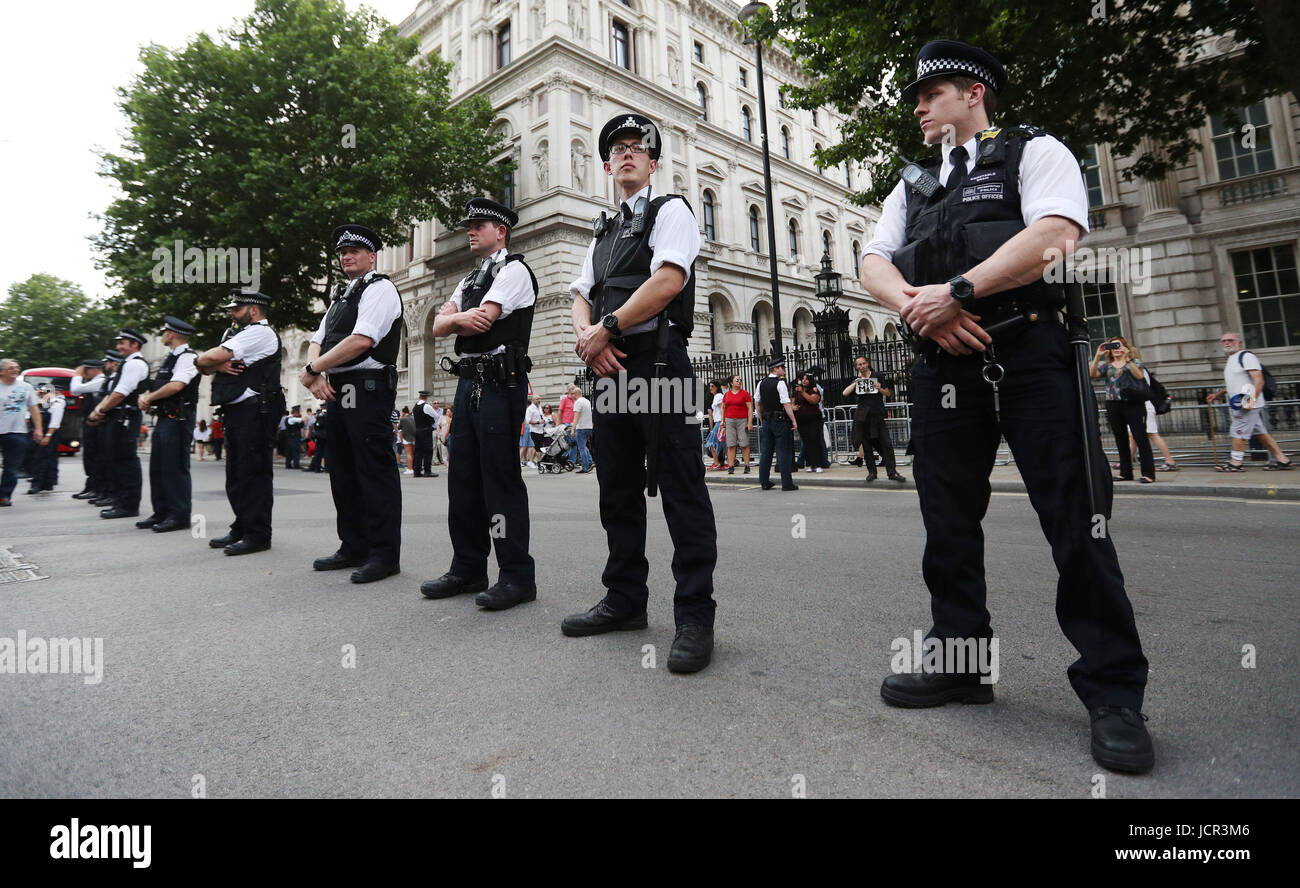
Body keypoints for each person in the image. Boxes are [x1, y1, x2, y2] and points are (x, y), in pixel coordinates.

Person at [859, 40, 1152, 772]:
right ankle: (961, 664)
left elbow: (1054, 237)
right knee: (947, 524)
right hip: (941, 364)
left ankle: (1113, 693)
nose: (919, 109)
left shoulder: (1035, 151)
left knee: (1076, 518)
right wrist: (920, 307)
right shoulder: (912, 183)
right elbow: (872, 259)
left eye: (930, 95)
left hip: (1029, 355)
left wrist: (958, 290)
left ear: (973, 94)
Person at [563, 112, 717, 673]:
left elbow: (668, 280)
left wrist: (609, 328)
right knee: (617, 490)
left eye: (638, 147)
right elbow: (581, 293)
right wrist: (588, 336)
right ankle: (625, 600)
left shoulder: (669, 209)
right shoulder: (601, 232)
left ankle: (695, 616)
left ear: (653, 162)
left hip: (658, 365)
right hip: (610, 370)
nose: (628, 154)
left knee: (681, 489)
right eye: (618, 149)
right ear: (606, 166)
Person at [420, 197, 537, 610]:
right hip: (468, 381)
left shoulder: (514, 270)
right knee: (463, 479)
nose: (470, 230)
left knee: (499, 480)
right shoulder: (470, 279)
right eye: (469, 224)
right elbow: (437, 326)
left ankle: (516, 575)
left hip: (500, 382)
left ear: (501, 230)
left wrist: (456, 318)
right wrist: (455, 318)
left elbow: (483, 320)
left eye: (479, 224)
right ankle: (468, 567)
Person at [301, 224, 404, 583]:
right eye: (343, 252)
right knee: (343, 471)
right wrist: (314, 371)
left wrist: (314, 368)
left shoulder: (380, 289)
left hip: (368, 388)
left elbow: (361, 341)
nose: (346, 256)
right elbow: (318, 339)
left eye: (355, 251)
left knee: (374, 472)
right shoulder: (341, 298)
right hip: (339, 388)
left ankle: (384, 554)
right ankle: (353, 545)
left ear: (371, 256)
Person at [197, 290, 283, 556]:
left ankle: (257, 534)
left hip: (256, 411)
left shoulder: (259, 333)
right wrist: (213, 365)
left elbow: (208, 359)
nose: (231, 314)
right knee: (236, 474)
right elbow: (210, 363)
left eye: (236, 309)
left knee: (253, 474)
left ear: (253, 310)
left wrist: (208, 363)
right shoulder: (237, 335)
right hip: (238, 410)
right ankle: (242, 526)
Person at [137, 315, 201, 532]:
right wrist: (147, 396)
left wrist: (149, 397)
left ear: (171, 334)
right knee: (159, 468)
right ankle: (162, 511)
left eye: (165, 332)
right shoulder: (170, 358)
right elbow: (158, 385)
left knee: (174, 467)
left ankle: (179, 514)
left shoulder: (187, 357)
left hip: (178, 419)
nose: (163, 335)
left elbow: (176, 386)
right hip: (165, 417)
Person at [87, 328, 152, 519]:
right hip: (119, 417)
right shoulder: (127, 364)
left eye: (122, 343)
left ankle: (128, 505)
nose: (118, 347)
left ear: (135, 345)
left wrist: (100, 411)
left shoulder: (134, 365)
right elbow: (113, 393)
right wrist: (100, 411)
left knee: (125, 460)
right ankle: (121, 501)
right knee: (115, 459)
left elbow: (120, 393)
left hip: (126, 418)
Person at [1206, 331, 1294, 471]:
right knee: (1260, 433)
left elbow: (1258, 381)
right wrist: (1219, 393)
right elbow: (1238, 383)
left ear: (1239, 343)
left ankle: (1236, 463)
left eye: (1230, 340)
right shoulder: (1232, 359)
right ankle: (1283, 460)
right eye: (1223, 341)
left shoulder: (1246, 356)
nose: (1227, 343)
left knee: (1237, 431)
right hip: (1242, 402)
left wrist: (1249, 401)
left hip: (1248, 404)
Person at [1090, 335, 1155, 483]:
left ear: (1125, 347)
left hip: (1133, 404)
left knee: (1140, 438)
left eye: (1118, 346)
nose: (1116, 349)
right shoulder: (1107, 365)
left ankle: (1148, 473)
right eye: (1113, 347)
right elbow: (1092, 374)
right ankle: (1125, 473)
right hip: (1113, 404)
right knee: (1120, 439)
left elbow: (1140, 376)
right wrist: (1097, 355)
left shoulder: (1134, 362)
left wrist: (1127, 359)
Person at [844, 355, 905, 482]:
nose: (862, 366)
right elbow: (845, 393)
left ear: (868, 363)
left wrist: (879, 388)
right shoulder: (857, 380)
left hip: (877, 414)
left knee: (887, 444)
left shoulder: (878, 375)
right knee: (867, 446)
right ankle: (872, 472)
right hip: (863, 416)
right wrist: (855, 383)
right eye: (859, 365)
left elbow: (888, 393)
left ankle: (892, 472)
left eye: (863, 363)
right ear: (856, 367)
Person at [0, 360, 44, 507]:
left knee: (11, 467)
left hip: (18, 432)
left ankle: (4, 496)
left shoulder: (26, 387)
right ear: (2, 371)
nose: (15, 370)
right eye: (11, 368)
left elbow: (34, 409)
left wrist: (38, 429)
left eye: (17, 367)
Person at [755, 357, 799, 491]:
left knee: (766, 452)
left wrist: (761, 418)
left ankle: (764, 481)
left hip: (767, 420)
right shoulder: (780, 383)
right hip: (779, 420)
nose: (784, 369)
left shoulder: (761, 383)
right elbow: (786, 403)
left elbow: (757, 403)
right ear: (776, 369)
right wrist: (793, 420)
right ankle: (787, 483)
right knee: (783, 452)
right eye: (782, 367)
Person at [68, 358, 107, 499]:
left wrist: (77, 375)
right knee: (89, 456)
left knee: (94, 456)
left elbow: (75, 390)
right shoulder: (93, 382)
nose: (85, 373)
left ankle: (96, 487)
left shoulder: (100, 381)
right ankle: (91, 486)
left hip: (96, 425)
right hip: (89, 422)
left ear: (95, 369)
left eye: (86, 370)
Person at [26, 383, 65, 494]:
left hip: (49, 434)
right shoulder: (45, 403)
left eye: (44, 393)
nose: (42, 395)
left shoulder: (57, 403)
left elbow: (55, 423)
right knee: (45, 458)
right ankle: (47, 483)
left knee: (40, 459)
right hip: (41, 433)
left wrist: (47, 436)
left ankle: (37, 484)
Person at [792, 371, 825, 474]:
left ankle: (818, 464)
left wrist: (803, 392)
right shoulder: (797, 390)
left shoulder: (813, 390)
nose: (804, 380)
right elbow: (792, 401)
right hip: (802, 420)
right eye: (803, 379)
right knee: (806, 442)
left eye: (806, 379)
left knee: (814, 440)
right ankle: (811, 464)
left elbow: (813, 400)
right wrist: (793, 406)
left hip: (814, 420)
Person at [722, 374, 752, 475]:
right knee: (731, 444)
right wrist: (723, 421)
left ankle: (747, 465)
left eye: (740, 380)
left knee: (744, 443)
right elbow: (723, 408)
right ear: (731, 383)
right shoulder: (727, 395)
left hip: (742, 420)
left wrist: (750, 422)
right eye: (737, 380)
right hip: (730, 420)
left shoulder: (745, 394)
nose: (739, 381)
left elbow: (750, 408)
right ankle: (731, 466)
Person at [412, 390, 439, 477]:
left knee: (418, 451)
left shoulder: (415, 406)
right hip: (426, 430)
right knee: (428, 451)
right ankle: (427, 471)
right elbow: (436, 415)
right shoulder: (426, 406)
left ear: (420, 396)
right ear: (427, 397)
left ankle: (417, 471)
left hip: (418, 430)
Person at [568, 383, 593, 473]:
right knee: (583, 446)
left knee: (581, 448)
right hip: (588, 427)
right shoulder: (587, 401)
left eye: (573, 394)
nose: (572, 396)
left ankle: (585, 467)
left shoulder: (578, 402)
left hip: (581, 427)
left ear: (576, 394)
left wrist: (572, 428)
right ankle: (590, 462)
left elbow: (576, 416)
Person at [703, 379, 724, 470]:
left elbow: (722, 408)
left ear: (717, 387)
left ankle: (716, 463)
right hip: (718, 421)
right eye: (710, 386)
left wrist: (723, 421)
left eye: (712, 386)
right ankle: (719, 462)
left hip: (719, 422)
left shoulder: (718, 396)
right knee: (719, 443)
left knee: (710, 442)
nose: (710, 388)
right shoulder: (716, 396)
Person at [524, 394, 545, 467]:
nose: (539, 400)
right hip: (534, 430)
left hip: (541, 430)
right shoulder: (530, 409)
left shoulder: (539, 407)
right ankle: (539, 463)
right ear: (533, 400)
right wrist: (538, 422)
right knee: (537, 447)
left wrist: (543, 421)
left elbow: (541, 416)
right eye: (537, 399)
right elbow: (528, 421)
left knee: (540, 446)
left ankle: (534, 461)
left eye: (539, 399)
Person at [398, 406, 416, 475]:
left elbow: (399, 427)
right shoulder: (413, 418)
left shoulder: (403, 419)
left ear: (403, 412)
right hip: (414, 437)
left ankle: (410, 468)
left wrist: (400, 419)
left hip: (406, 438)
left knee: (408, 454)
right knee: (412, 454)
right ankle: (413, 468)